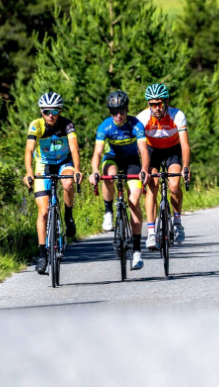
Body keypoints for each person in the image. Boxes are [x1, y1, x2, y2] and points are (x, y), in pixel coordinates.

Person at [90, 90, 151, 271]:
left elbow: (144, 151)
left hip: (132, 161)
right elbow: (98, 153)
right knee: (108, 174)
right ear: (110, 112)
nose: (118, 115)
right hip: (113, 158)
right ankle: (108, 212)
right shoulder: (105, 127)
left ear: (126, 109)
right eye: (114, 111)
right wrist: (94, 171)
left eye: (122, 111)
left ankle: (137, 251)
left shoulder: (136, 124)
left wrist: (145, 171)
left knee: (134, 201)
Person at [22, 92, 82, 275]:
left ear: (60, 110)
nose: (51, 114)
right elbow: (29, 150)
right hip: (44, 165)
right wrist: (29, 172)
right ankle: (42, 255)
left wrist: (77, 168)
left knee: (67, 183)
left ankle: (69, 216)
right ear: (42, 111)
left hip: (64, 162)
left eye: (54, 111)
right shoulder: (36, 126)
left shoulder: (67, 124)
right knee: (43, 211)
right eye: (47, 111)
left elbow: (74, 147)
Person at [139, 83, 191, 249]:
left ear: (166, 102)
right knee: (152, 186)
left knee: (174, 185)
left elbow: (185, 145)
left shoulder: (177, 115)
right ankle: (151, 233)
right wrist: (142, 170)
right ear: (148, 105)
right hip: (152, 152)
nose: (156, 108)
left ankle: (177, 222)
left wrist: (186, 167)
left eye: (159, 103)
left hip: (172, 150)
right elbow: (138, 148)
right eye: (152, 104)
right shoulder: (142, 119)